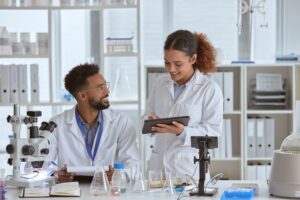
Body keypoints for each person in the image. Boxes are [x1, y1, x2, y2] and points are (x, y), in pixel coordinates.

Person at [144, 30, 223, 180]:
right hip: (158, 169)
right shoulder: (160, 83)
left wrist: (183, 132)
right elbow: (146, 115)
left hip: (187, 171)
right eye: (167, 62)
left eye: (177, 64)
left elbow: (214, 133)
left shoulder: (209, 89)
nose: (171, 69)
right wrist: (150, 121)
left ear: (193, 58)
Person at [48, 63, 141, 182]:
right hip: (72, 193)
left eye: (106, 86)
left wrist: (119, 176)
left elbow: (134, 164)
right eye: (100, 87)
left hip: (109, 194)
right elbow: (40, 165)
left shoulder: (120, 121)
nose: (107, 91)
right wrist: (56, 175)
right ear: (82, 96)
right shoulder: (56, 124)